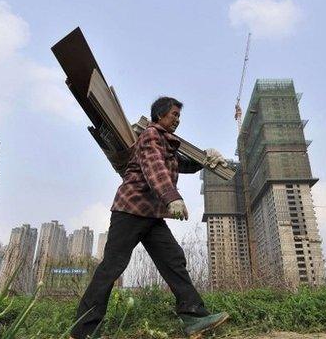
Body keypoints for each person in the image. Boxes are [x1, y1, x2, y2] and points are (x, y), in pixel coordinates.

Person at [70, 97, 229, 339]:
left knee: (173, 259)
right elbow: (155, 167)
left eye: (179, 116)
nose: (177, 119)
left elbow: (180, 164)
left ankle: (193, 317)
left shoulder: (167, 143)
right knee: (112, 267)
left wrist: (205, 158)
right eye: (174, 114)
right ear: (159, 115)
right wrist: (171, 197)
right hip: (131, 210)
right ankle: (83, 331)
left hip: (151, 214)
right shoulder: (151, 136)